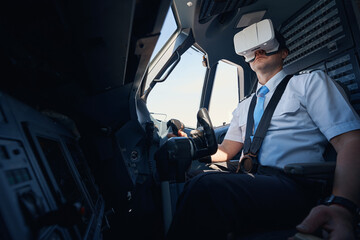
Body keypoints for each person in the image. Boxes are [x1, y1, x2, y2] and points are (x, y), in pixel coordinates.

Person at [165, 27, 360, 240]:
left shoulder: (309, 83)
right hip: (254, 180)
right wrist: (192, 148)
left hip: (293, 186)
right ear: (247, 59)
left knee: (206, 188)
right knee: (195, 176)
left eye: (265, 47)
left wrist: (342, 205)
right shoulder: (244, 106)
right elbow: (226, 151)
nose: (258, 52)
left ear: (283, 52)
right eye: (252, 50)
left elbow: (350, 141)